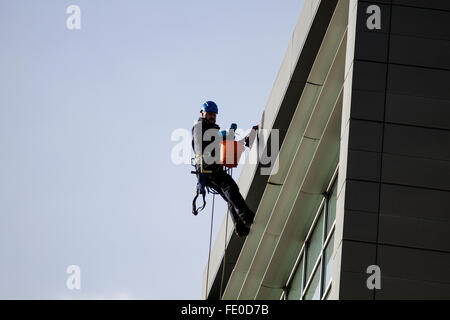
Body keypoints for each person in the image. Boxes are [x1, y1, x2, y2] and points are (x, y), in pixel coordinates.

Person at [192, 101, 258, 237]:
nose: (212, 117)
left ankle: (239, 226)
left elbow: (220, 144)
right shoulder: (201, 126)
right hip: (209, 167)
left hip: (209, 169)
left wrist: (239, 140)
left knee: (229, 197)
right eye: (209, 114)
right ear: (203, 114)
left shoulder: (210, 128)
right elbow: (202, 145)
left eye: (214, 115)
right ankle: (246, 216)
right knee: (231, 189)